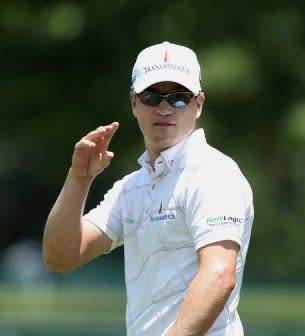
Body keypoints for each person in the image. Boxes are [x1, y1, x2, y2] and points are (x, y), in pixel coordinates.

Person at [42, 41, 254, 336]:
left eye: (179, 97)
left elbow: (218, 276)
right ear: (134, 103)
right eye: (152, 96)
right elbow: (60, 257)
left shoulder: (213, 173)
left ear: (199, 104)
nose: (165, 108)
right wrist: (78, 179)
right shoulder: (132, 187)